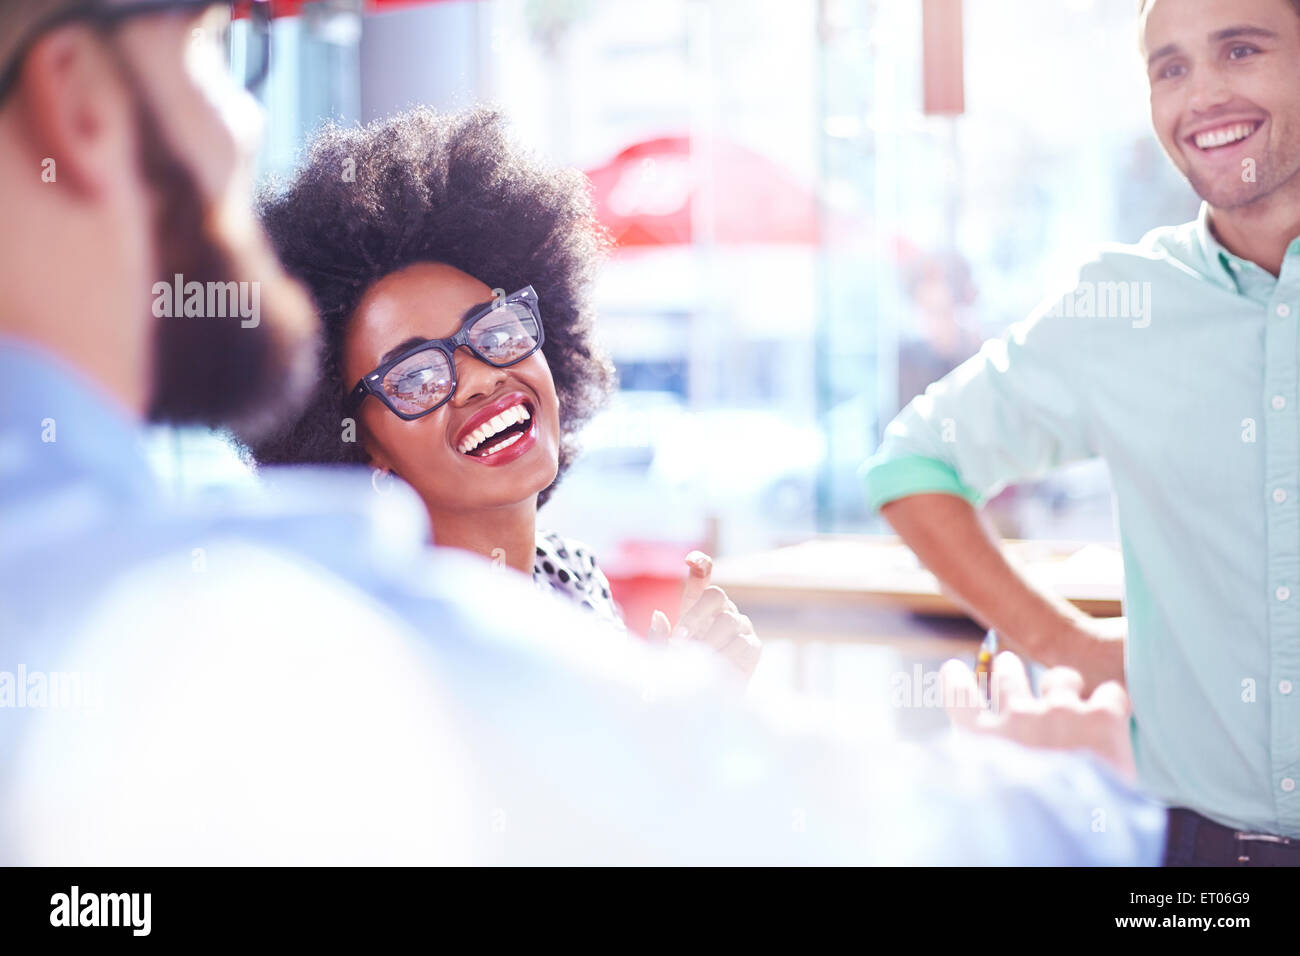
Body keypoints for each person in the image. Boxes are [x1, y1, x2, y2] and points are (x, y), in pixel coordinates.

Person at [0, 0, 1166, 864]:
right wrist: (1072, 784)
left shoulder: (550, 588)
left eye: (496, 330)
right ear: (79, 100)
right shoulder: (276, 620)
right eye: (218, 44)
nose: (475, 381)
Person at [863, 0, 1300, 864]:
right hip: (1197, 862)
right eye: (1169, 68)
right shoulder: (1122, 308)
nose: (1201, 94)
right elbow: (915, 462)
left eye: (1240, 50)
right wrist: (1063, 644)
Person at [243, 109, 760, 675]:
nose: (482, 376)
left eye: (495, 330)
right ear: (365, 447)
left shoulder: (571, 576)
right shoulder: (382, 642)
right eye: (416, 376)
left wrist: (679, 688)